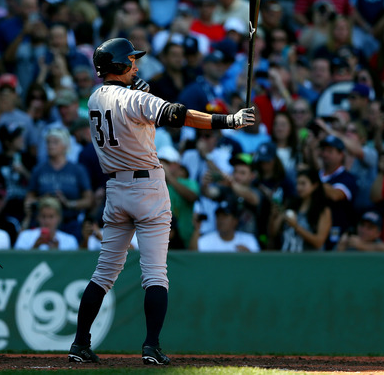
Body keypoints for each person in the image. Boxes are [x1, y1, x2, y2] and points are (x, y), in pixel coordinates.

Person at [69, 38, 254, 365]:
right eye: (130, 61)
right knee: (154, 273)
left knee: (104, 272)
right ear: (120, 66)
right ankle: (151, 346)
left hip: (115, 189)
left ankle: (80, 343)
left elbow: (131, 103)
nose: (136, 65)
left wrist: (142, 92)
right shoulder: (135, 97)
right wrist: (230, 120)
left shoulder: (95, 97)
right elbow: (176, 113)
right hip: (148, 187)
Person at [269, 168, 332, 251]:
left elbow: (319, 242)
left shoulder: (323, 211)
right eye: (297, 183)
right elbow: (273, 233)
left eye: (303, 184)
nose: (299, 187)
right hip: (286, 259)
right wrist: (273, 216)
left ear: (315, 185)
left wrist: (296, 227)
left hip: (309, 261)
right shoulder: (290, 205)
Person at [190, 199, 261, 252]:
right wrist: (197, 229)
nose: (221, 220)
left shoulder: (248, 240)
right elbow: (193, 258)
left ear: (235, 221)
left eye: (225, 216)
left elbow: (258, 264)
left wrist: (249, 255)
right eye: (218, 216)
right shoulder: (206, 240)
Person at [14, 196, 79, 250]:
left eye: (51, 217)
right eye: (43, 216)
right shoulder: (25, 236)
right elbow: (18, 261)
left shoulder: (70, 241)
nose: (47, 221)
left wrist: (58, 253)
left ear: (59, 218)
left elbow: (72, 264)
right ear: (38, 218)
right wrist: (35, 247)